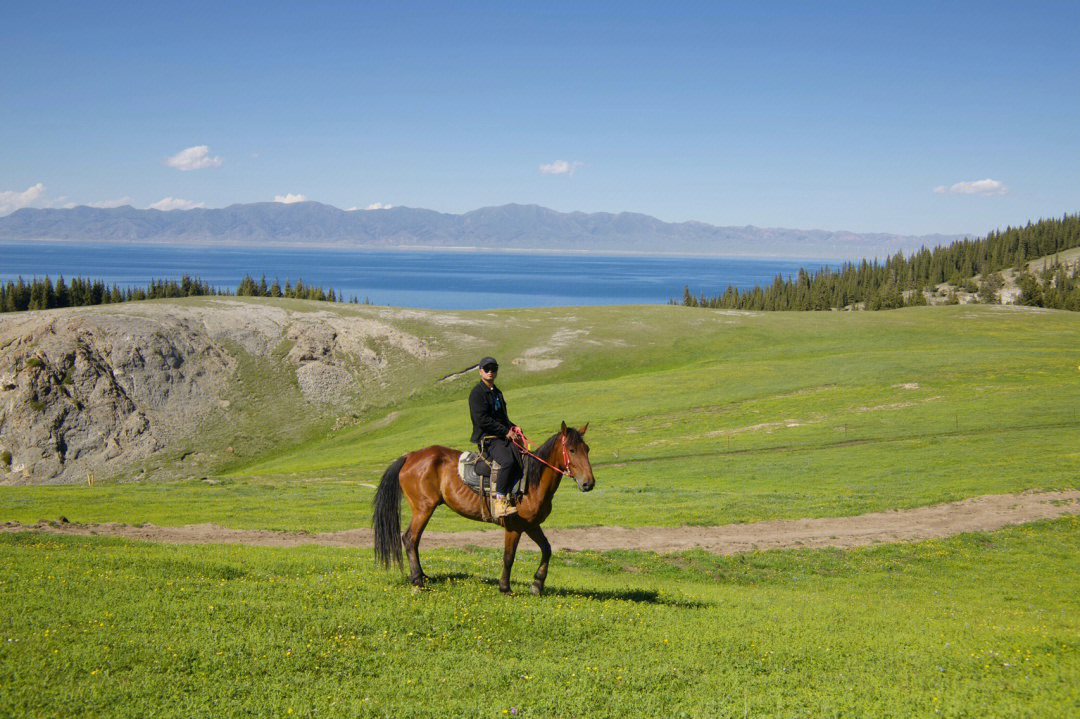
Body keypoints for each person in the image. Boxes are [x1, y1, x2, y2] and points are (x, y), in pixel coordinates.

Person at [468, 356, 521, 519]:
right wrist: (505, 432)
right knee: (507, 461)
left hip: (500, 435)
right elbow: (482, 420)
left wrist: (513, 427)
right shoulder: (477, 393)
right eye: (487, 369)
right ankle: (499, 502)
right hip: (488, 438)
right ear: (480, 372)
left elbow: (502, 418)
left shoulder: (496, 392)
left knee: (520, 456)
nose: (490, 372)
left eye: (494, 369)